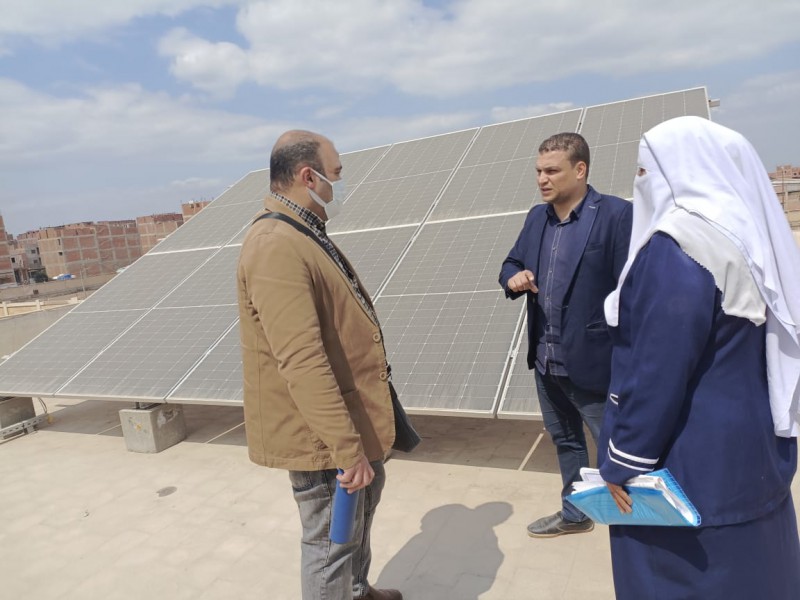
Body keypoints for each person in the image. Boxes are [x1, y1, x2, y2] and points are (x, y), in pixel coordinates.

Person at [599, 116, 800, 599]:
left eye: (646, 170)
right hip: (750, 452)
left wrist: (621, 461)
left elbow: (656, 374)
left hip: (688, 468)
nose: (640, 183)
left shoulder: (677, 247)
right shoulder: (744, 237)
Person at [237, 130, 402, 600]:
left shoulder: (302, 231)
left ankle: (356, 589)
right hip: (324, 437)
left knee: (354, 525)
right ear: (308, 176)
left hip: (347, 422)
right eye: (336, 174)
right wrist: (346, 448)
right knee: (331, 540)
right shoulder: (275, 243)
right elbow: (301, 359)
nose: (339, 183)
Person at [499, 132, 632, 537]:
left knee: (617, 450)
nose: (542, 179)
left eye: (551, 171)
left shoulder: (614, 215)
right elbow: (510, 263)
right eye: (539, 171)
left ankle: (641, 525)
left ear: (580, 169)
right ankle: (575, 513)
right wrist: (514, 277)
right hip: (546, 361)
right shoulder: (535, 218)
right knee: (566, 441)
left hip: (595, 362)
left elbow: (633, 290)